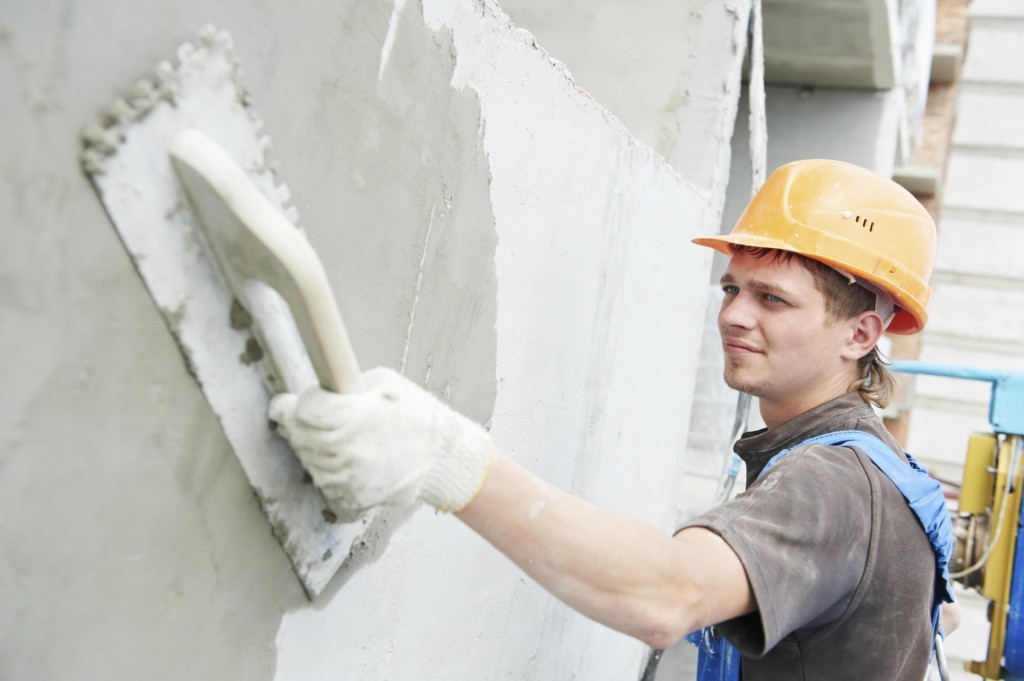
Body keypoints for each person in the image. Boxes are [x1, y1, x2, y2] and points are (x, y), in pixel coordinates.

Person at [269, 159, 956, 679]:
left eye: (773, 298)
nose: (734, 315)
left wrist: (448, 457)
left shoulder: (834, 485)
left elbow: (670, 594)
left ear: (861, 334)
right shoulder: (865, 467)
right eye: (732, 288)